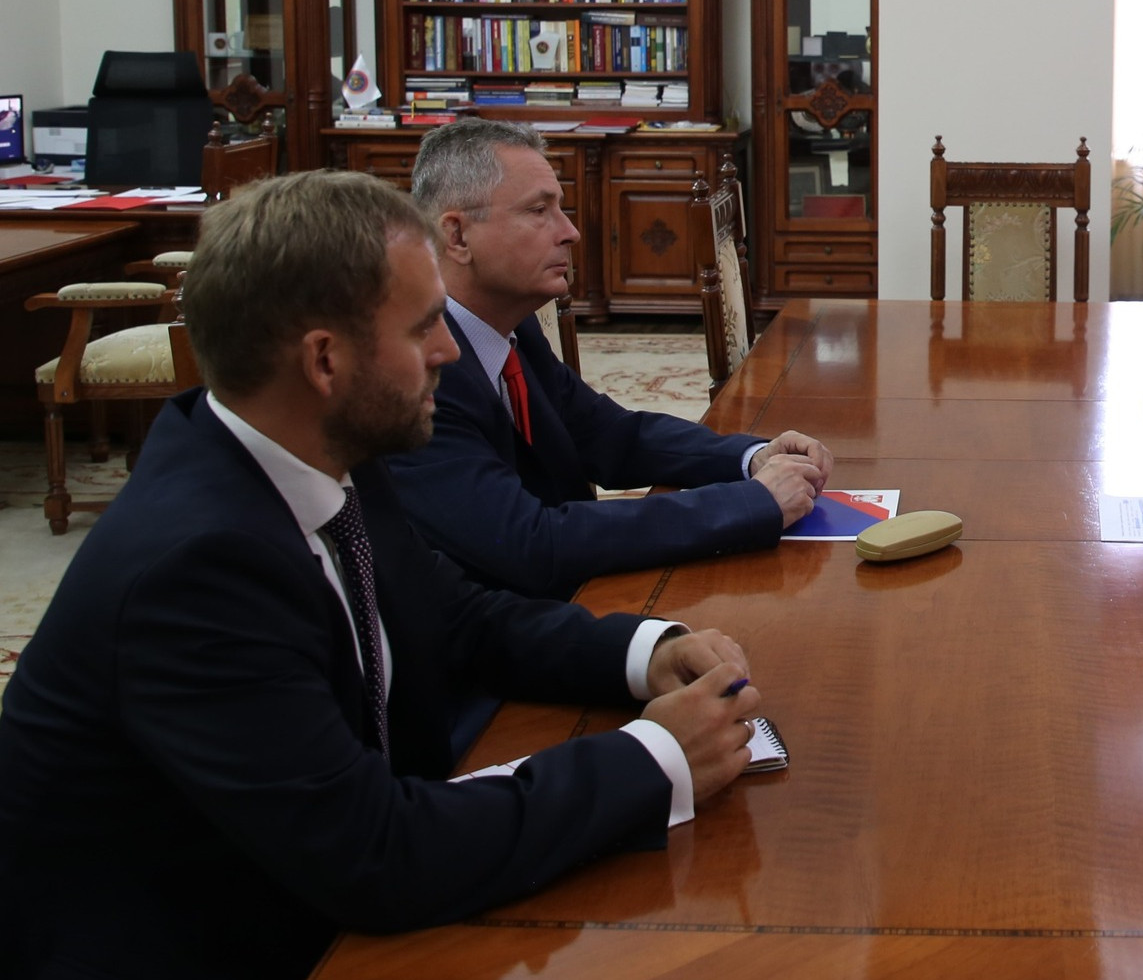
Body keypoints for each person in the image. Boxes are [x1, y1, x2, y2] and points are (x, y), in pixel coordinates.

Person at [0, 171, 767, 979]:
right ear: (325, 361)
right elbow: (376, 856)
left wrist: (646, 649)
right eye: (423, 327)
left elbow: (458, 615)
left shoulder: (326, 451)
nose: (447, 351)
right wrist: (656, 759)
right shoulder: (194, 569)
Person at [388, 117, 834, 599]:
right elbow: (529, 541)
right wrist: (750, 503)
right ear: (456, 236)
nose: (571, 232)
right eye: (539, 210)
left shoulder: (511, 328)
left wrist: (750, 457)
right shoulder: (421, 375)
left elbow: (609, 436)